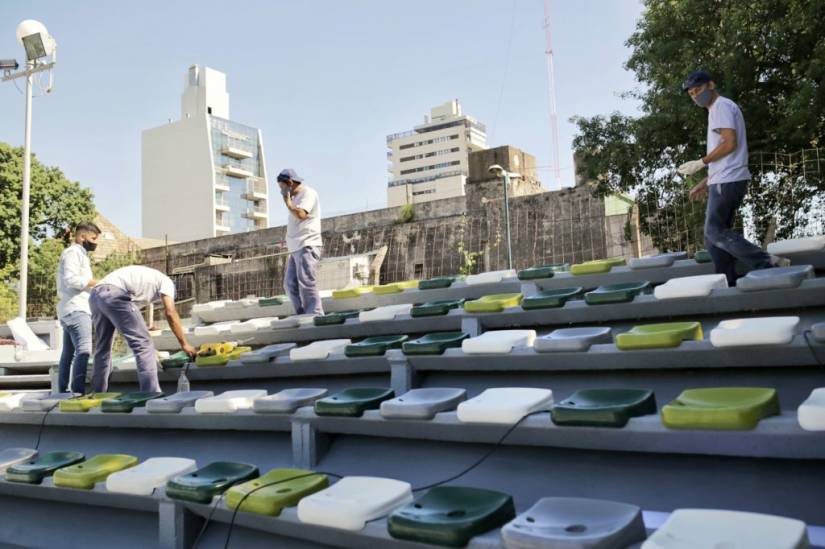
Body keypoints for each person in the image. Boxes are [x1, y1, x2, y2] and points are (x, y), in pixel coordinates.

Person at [678, 70, 788, 286]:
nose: (694, 96)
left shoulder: (720, 107)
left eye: (698, 90)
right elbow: (724, 154)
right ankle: (728, 281)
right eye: (691, 93)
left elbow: (730, 143)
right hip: (723, 178)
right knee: (713, 241)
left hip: (729, 180)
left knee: (714, 231)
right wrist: (705, 181)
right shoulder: (717, 110)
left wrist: (701, 162)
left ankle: (767, 262)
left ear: (711, 84)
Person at [90, 265, 196, 392]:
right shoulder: (167, 282)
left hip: (96, 295)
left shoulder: (149, 281)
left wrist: (145, 328)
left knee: (103, 348)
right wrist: (184, 344)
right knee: (143, 344)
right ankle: (150, 393)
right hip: (113, 293)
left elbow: (129, 315)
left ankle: (98, 393)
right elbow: (170, 312)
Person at [55, 222, 100, 394]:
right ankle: (78, 393)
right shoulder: (74, 253)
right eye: (94, 238)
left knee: (68, 353)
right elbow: (71, 280)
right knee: (84, 350)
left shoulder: (79, 254)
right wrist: (99, 283)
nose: (96, 243)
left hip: (69, 309)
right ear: (82, 237)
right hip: (76, 309)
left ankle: (62, 392)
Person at [278, 168, 324, 316]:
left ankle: (315, 314)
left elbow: (301, 214)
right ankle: (302, 314)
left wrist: (288, 202)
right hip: (296, 247)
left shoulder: (308, 194)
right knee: (290, 284)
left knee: (306, 281)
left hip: (307, 244)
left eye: (282, 187)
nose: (281, 191)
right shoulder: (294, 197)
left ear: (290, 183)